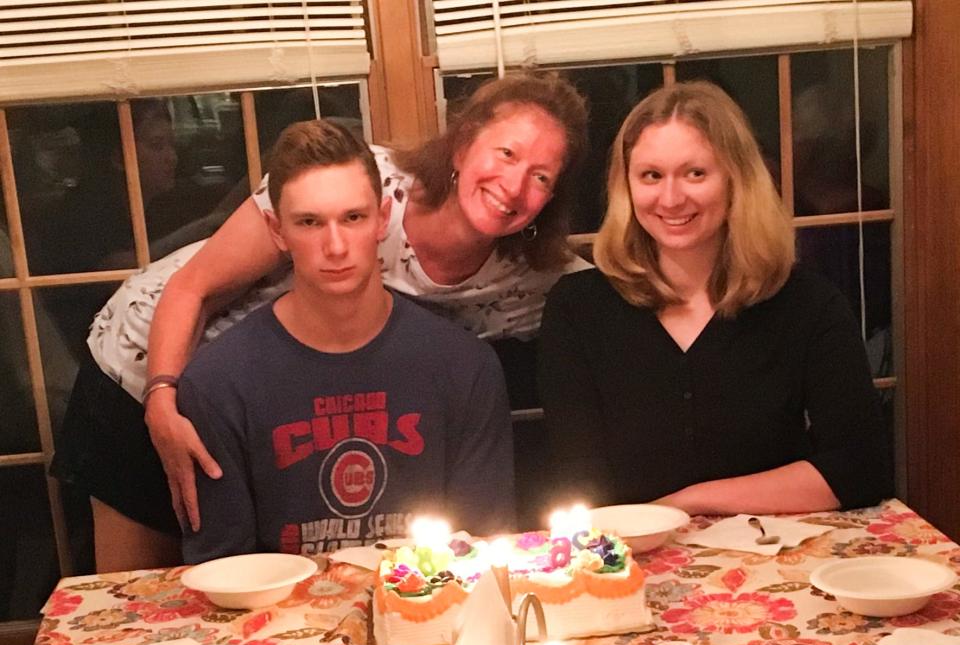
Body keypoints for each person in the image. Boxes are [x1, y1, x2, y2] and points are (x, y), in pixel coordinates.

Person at [56, 72, 588, 571]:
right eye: (506, 152)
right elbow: (193, 287)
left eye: (540, 175)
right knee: (138, 599)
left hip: (261, 399)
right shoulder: (358, 184)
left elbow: (621, 287)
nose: (515, 185)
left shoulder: (531, 277)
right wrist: (162, 400)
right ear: (463, 141)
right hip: (147, 362)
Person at [537, 81, 890, 515]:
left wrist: (690, 502)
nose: (670, 198)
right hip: (627, 564)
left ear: (737, 179)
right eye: (651, 175)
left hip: (779, 559)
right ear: (625, 187)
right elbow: (577, 481)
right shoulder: (577, 309)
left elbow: (861, 468)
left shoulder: (808, 304)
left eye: (695, 173)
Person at [179, 120, 514, 562]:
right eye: (309, 222)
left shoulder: (465, 367)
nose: (335, 246)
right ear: (277, 231)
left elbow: (485, 552)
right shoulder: (217, 383)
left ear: (382, 218)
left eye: (352, 218)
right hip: (279, 623)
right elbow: (224, 574)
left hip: (430, 615)